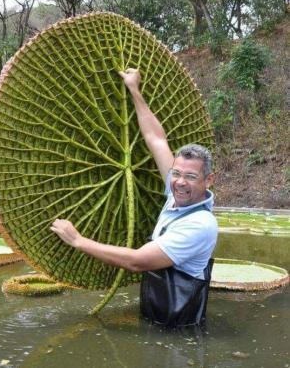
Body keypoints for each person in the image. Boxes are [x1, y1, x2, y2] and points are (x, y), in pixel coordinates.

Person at [51, 68, 218, 327]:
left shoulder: (201, 225)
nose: (181, 182)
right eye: (176, 173)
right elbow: (156, 139)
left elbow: (138, 261)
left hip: (179, 328)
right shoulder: (175, 192)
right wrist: (134, 90)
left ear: (208, 180)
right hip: (156, 314)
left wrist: (78, 240)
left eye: (191, 177)